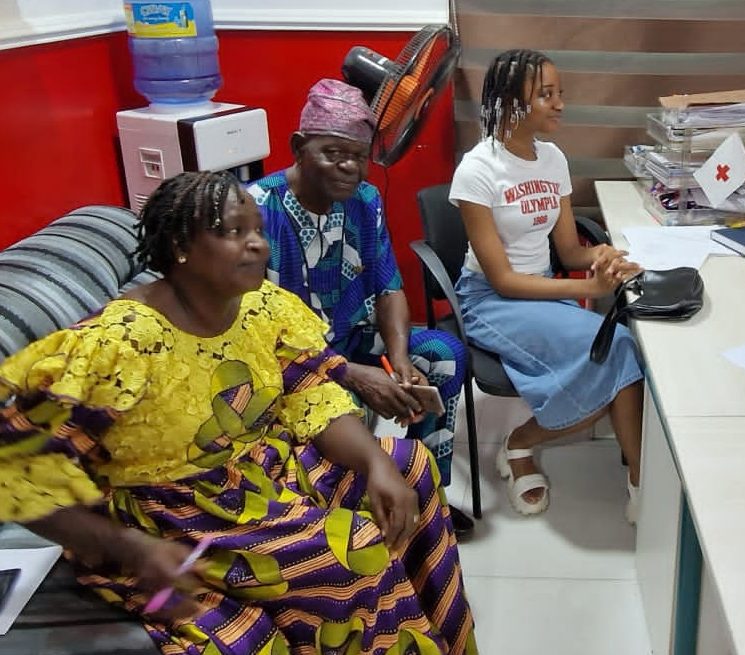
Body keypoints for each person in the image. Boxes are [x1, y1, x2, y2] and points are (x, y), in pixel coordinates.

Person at [0, 172, 476, 654]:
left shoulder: (260, 306)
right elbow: (14, 465)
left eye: (258, 231)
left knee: (409, 468)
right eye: (233, 231)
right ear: (181, 246)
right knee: (351, 551)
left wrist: (374, 462)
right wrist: (132, 549)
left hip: (259, 470)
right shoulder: (119, 346)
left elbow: (309, 391)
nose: (257, 245)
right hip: (173, 516)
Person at [248, 79, 474, 535]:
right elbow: (254, 331)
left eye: (359, 155)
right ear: (299, 147)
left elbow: (389, 287)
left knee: (444, 356)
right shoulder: (257, 210)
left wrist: (401, 360)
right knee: (343, 402)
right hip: (289, 363)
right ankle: (354, 510)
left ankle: (425, 490)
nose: (349, 167)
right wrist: (347, 373)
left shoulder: (365, 200)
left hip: (352, 336)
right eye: (333, 153)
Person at [449, 49, 645, 520]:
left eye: (560, 93)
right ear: (510, 103)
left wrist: (602, 257)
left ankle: (527, 443)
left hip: (538, 289)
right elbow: (503, 280)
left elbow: (570, 251)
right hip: (489, 299)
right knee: (616, 349)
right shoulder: (477, 170)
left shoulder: (552, 159)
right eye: (545, 95)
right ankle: (636, 481)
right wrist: (588, 291)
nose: (559, 104)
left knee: (620, 352)